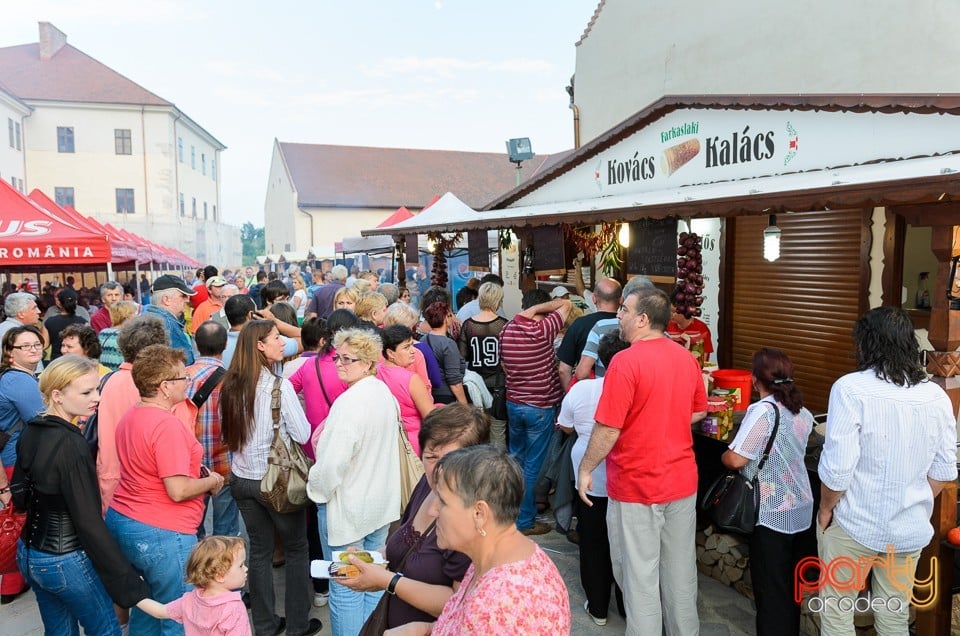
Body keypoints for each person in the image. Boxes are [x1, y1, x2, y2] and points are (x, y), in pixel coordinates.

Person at [816, 307, 958, 635]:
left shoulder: (850, 388)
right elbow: (944, 469)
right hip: (908, 529)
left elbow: (838, 470)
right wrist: (911, 498)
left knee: (837, 614)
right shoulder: (936, 397)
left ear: (865, 344)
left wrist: (825, 509)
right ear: (910, 344)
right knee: (893, 616)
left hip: (854, 523)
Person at [577, 287, 707, 636]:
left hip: (636, 485)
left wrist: (585, 468)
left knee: (639, 578)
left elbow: (607, 428)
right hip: (681, 482)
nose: (619, 316)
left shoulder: (625, 361)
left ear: (643, 319)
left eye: (624, 310)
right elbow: (699, 410)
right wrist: (664, 417)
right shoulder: (686, 357)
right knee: (681, 574)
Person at [12, 355, 151, 633]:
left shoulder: (33, 428)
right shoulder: (70, 444)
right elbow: (88, 521)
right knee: (106, 630)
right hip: (65, 560)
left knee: (59, 631)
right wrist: (130, 584)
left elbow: (20, 496)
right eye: (87, 392)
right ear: (57, 395)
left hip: (29, 555)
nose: (97, 398)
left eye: (97, 389)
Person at [105, 344, 225, 636]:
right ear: (164, 386)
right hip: (162, 530)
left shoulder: (133, 415)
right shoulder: (165, 424)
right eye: (183, 378)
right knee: (179, 616)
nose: (188, 382)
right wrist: (212, 482)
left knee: (149, 609)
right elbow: (178, 489)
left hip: (127, 520)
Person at [337, 404, 489, 630]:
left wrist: (386, 581)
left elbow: (458, 603)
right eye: (431, 456)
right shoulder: (425, 487)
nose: (438, 470)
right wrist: (368, 560)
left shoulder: (473, 520)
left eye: (450, 459)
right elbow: (402, 547)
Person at [390, 446, 571, 635]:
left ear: (479, 513)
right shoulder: (500, 558)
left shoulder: (494, 604)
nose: (432, 511)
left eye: (443, 502)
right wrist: (426, 629)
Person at [220, 320, 321, 636]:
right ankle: (298, 625)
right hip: (274, 481)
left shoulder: (232, 385)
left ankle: (264, 625)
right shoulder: (279, 386)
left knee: (260, 552)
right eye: (277, 338)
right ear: (260, 346)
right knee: (295, 549)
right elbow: (303, 432)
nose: (283, 343)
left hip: (241, 479)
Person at [308, 327, 401, 636]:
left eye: (350, 359)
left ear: (368, 363)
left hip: (349, 509)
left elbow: (333, 463)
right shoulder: (381, 392)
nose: (341, 363)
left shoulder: (350, 403)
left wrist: (317, 489)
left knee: (346, 587)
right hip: (379, 504)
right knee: (373, 579)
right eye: (339, 357)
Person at [721, 348, 815, 636]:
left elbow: (737, 459)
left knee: (771, 588)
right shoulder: (803, 412)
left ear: (754, 379)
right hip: (801, 507)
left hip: (773, 510)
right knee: (789, 586)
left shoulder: (763, 411)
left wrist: (724, 457)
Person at [560, 332, 630, 626]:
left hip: (588, 479)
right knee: (628, 546)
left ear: (600, 358)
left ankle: (598, 607)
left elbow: (565, 427)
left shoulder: (582, 389)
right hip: (626, 478)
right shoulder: (636, 388)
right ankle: (630, 607)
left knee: (593, 542)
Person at [499, 289, 572, 535]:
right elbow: (566, 305)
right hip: (539, 407)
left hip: (514, 404)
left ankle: (512, 514)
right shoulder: (543, 329)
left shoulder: (507, 329)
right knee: (532, 468)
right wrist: (540, 310)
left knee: (516, 461)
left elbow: (505, 367)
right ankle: (525, 521)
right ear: (543, 309)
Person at [0, 325, 45, 604]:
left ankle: (11, 583)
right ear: (9, 353)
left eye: (36, 344)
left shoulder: (10, 378)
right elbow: (41, 421)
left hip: (11, 461)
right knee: (23, 522)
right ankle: (19, 578)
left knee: (17, 520)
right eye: (24, 346)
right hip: (17, 463)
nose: (33, 349)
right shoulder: (20, 381)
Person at [136, 535, 251, 636]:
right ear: (219, 576)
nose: (246, 569)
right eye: (240, 565)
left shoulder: (190, 600)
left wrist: (133, 592)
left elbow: (160, 611)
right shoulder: (234, 609)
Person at [188, 321, 238, 538]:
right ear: (225, 345)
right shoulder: (232, 381)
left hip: (191, 467)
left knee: (192, 526)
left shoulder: (181, 378)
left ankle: (196, 565)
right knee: (225, 529)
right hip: (224, 464)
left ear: (196, 345)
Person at [573, 275, 655, 381]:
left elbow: (581, 373)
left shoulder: (600, 327)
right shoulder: (661, 335)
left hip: (606, 389)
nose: (619, 315)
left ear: (623, 299)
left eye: (624, 310)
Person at [457, 281, 508, 450]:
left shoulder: (469, 326)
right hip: (499, 386)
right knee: (498, 432)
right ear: (498, 300)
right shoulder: (505, 325)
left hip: (476, 387)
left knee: (478, 432)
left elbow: (462, 358)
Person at [378, 325, 436, 454]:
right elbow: (431, 418)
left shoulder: (374, 373)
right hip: (411, 446)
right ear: (390, 353)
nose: (413, 351)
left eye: (412, 345)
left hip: (385, 445)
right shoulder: (412, 380)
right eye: (406, 347)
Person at [556, 277, 622, 390]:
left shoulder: (579, 324)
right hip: (622, 392)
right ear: (621, 300)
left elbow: (563, 370)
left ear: (594, 299)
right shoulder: (628, 326)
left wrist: (573, 397)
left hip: (589, 393)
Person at [145, 275, 198, 365]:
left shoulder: (143, 318)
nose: (187, 300)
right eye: (183, 296)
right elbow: (187, 363)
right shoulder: (169, 325)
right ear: (166, 300)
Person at [421, 301, 467, 405]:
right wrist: (464, 405)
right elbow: (454, 380)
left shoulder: (423, 339)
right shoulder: (448, 344)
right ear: (446, 318)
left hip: (429, 393)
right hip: (446, 396)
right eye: (450, 315)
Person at [666, 295, 715, 362]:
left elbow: (703, 360)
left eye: (674, 312)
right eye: (670, 311)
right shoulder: (667, 327)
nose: (670, 314)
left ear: (686, 311)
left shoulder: (701, 328)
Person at [44, 288, 87, 361]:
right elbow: (87, 345)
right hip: (77, 361)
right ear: (76, 302)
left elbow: (45, 345)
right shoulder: (84, 322)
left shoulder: (49, 322)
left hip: (57, 361)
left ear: (59, 303)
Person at [98, 300, 140, 371]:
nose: (137, 317)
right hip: (121, 375)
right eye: (134, 314)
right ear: (127, 316)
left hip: (105, 376)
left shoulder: (103, 333)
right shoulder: (128, 335)